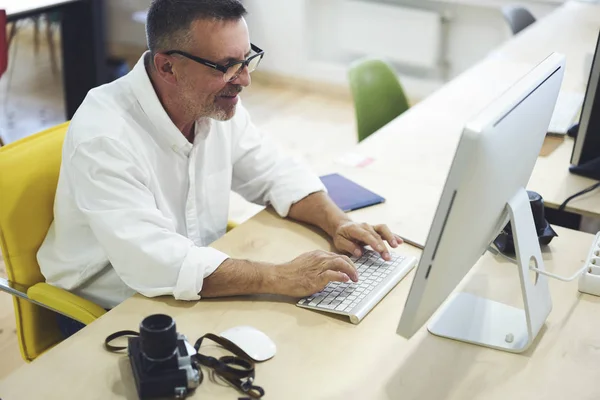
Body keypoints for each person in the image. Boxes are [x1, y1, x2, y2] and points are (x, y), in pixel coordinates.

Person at [37, 0, 403, 333]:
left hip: (189, 283)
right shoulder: (106, 138)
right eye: (226, 66)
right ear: (167, 66)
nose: (244, 79)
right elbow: (155, 263)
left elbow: (275, 172)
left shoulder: (210, 102)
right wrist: (279, 276)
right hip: (108, 308)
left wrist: (339, 223)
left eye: (246, 59)